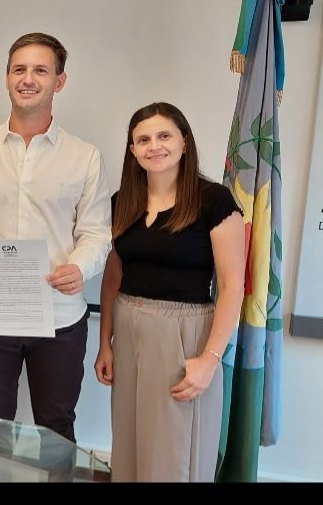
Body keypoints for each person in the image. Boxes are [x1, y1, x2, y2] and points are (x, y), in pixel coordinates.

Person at [0, 33, 111, 445]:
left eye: (40, 70)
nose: (28, 79)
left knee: (56, 425)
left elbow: (95, 233)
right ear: (7, 78)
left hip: (58, 317)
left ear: (59, 81)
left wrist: (80, 267)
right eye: (19, 69)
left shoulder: (85, 156)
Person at [94, 102, 244, 482]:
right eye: (143, 139)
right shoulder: (122, 202)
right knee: (129, 445)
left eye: (164, 136)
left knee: (173, 454)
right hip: (127, 327)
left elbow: (232, 286)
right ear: (132, 149)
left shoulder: (214, 201)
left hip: (184, 335)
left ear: (184, 141)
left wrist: (210, 359)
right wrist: (105, 343)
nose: (154, 146)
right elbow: (113, 276)